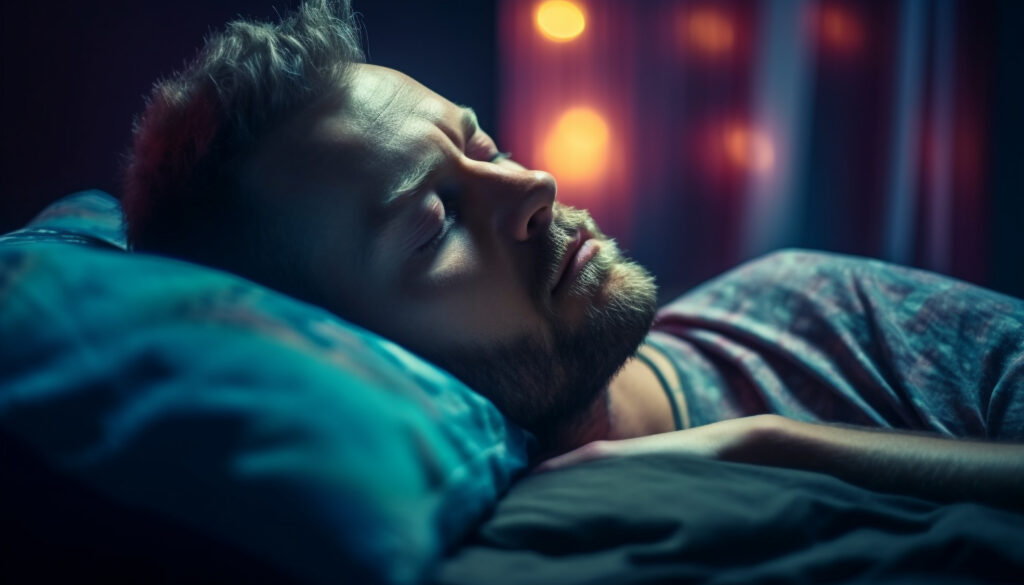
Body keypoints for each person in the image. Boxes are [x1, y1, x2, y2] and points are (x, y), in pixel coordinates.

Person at [122, 0, 1023, 510]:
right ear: (355, 356)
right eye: (435, 225)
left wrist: (763, 445)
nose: (535, 186)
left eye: (484, 144)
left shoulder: (820, 308)